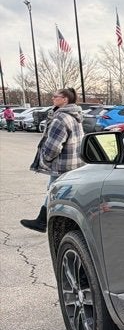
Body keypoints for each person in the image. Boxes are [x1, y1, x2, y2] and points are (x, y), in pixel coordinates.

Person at [20, 88, 84, 232]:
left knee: (56, 192)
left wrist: (45, 159)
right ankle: (42, 220)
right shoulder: (76, 116)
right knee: (56, 191)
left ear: (65, 99)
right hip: (74, 162)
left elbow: (53, 147)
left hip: (61, 164)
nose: (53, 99)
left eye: (56, 96)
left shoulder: (61, 118)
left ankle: (49, 222)